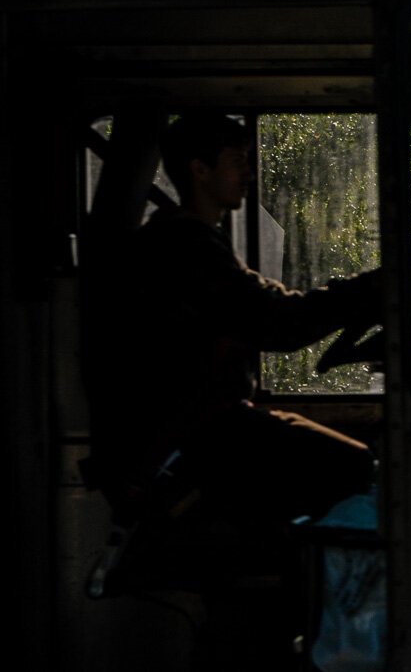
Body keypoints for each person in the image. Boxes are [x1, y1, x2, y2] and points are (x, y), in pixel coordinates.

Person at [99, 113, 379, 532]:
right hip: (197, 437)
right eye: (237, 160)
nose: (249, 173)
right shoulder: (185, 248)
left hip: (201, 429)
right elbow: (278, 322)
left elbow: (267, 308)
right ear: (200, 170)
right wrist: (372, 288)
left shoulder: (190, 241)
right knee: (355, 467)